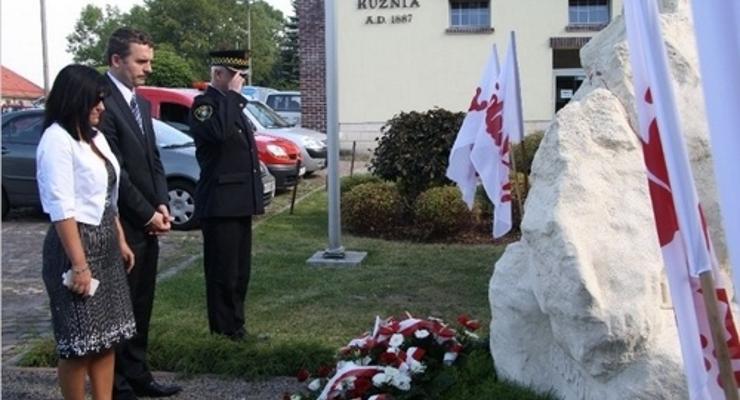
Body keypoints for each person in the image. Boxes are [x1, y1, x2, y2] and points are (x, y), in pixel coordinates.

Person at [37, 64, 137, 400]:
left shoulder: (96, 138)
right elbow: (61, 208)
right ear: (75, 99)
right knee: (78, 345)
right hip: (74, 248)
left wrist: (120, 239)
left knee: (106, 339)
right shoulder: (57, 140)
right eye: (96, 100)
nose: (102, 107)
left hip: (105, 247)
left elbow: (108, 196)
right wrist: (79, 265)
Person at [98, 28, 181, 399]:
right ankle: (115, 384)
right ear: (117, 60)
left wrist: (163, 203)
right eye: (141, 61)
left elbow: (153, 161)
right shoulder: (101, 102)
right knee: (119, 304)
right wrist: (146, 214)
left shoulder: (141, 103)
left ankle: (138, 374)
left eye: (150, 61)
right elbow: (115, 169)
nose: (148, 69)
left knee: (142, 301)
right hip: (120, 221)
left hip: (149, 220)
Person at [190, 50, 264, 340]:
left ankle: (237, 326)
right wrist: (233, 97)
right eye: (235, 75)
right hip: (220, 205)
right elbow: (219, 134)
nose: (240, 81)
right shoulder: (203, 106)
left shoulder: (231, 106)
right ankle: (223, 331)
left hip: (238, 203)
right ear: (218, 75)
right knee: (223, 273)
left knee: (239, 271)